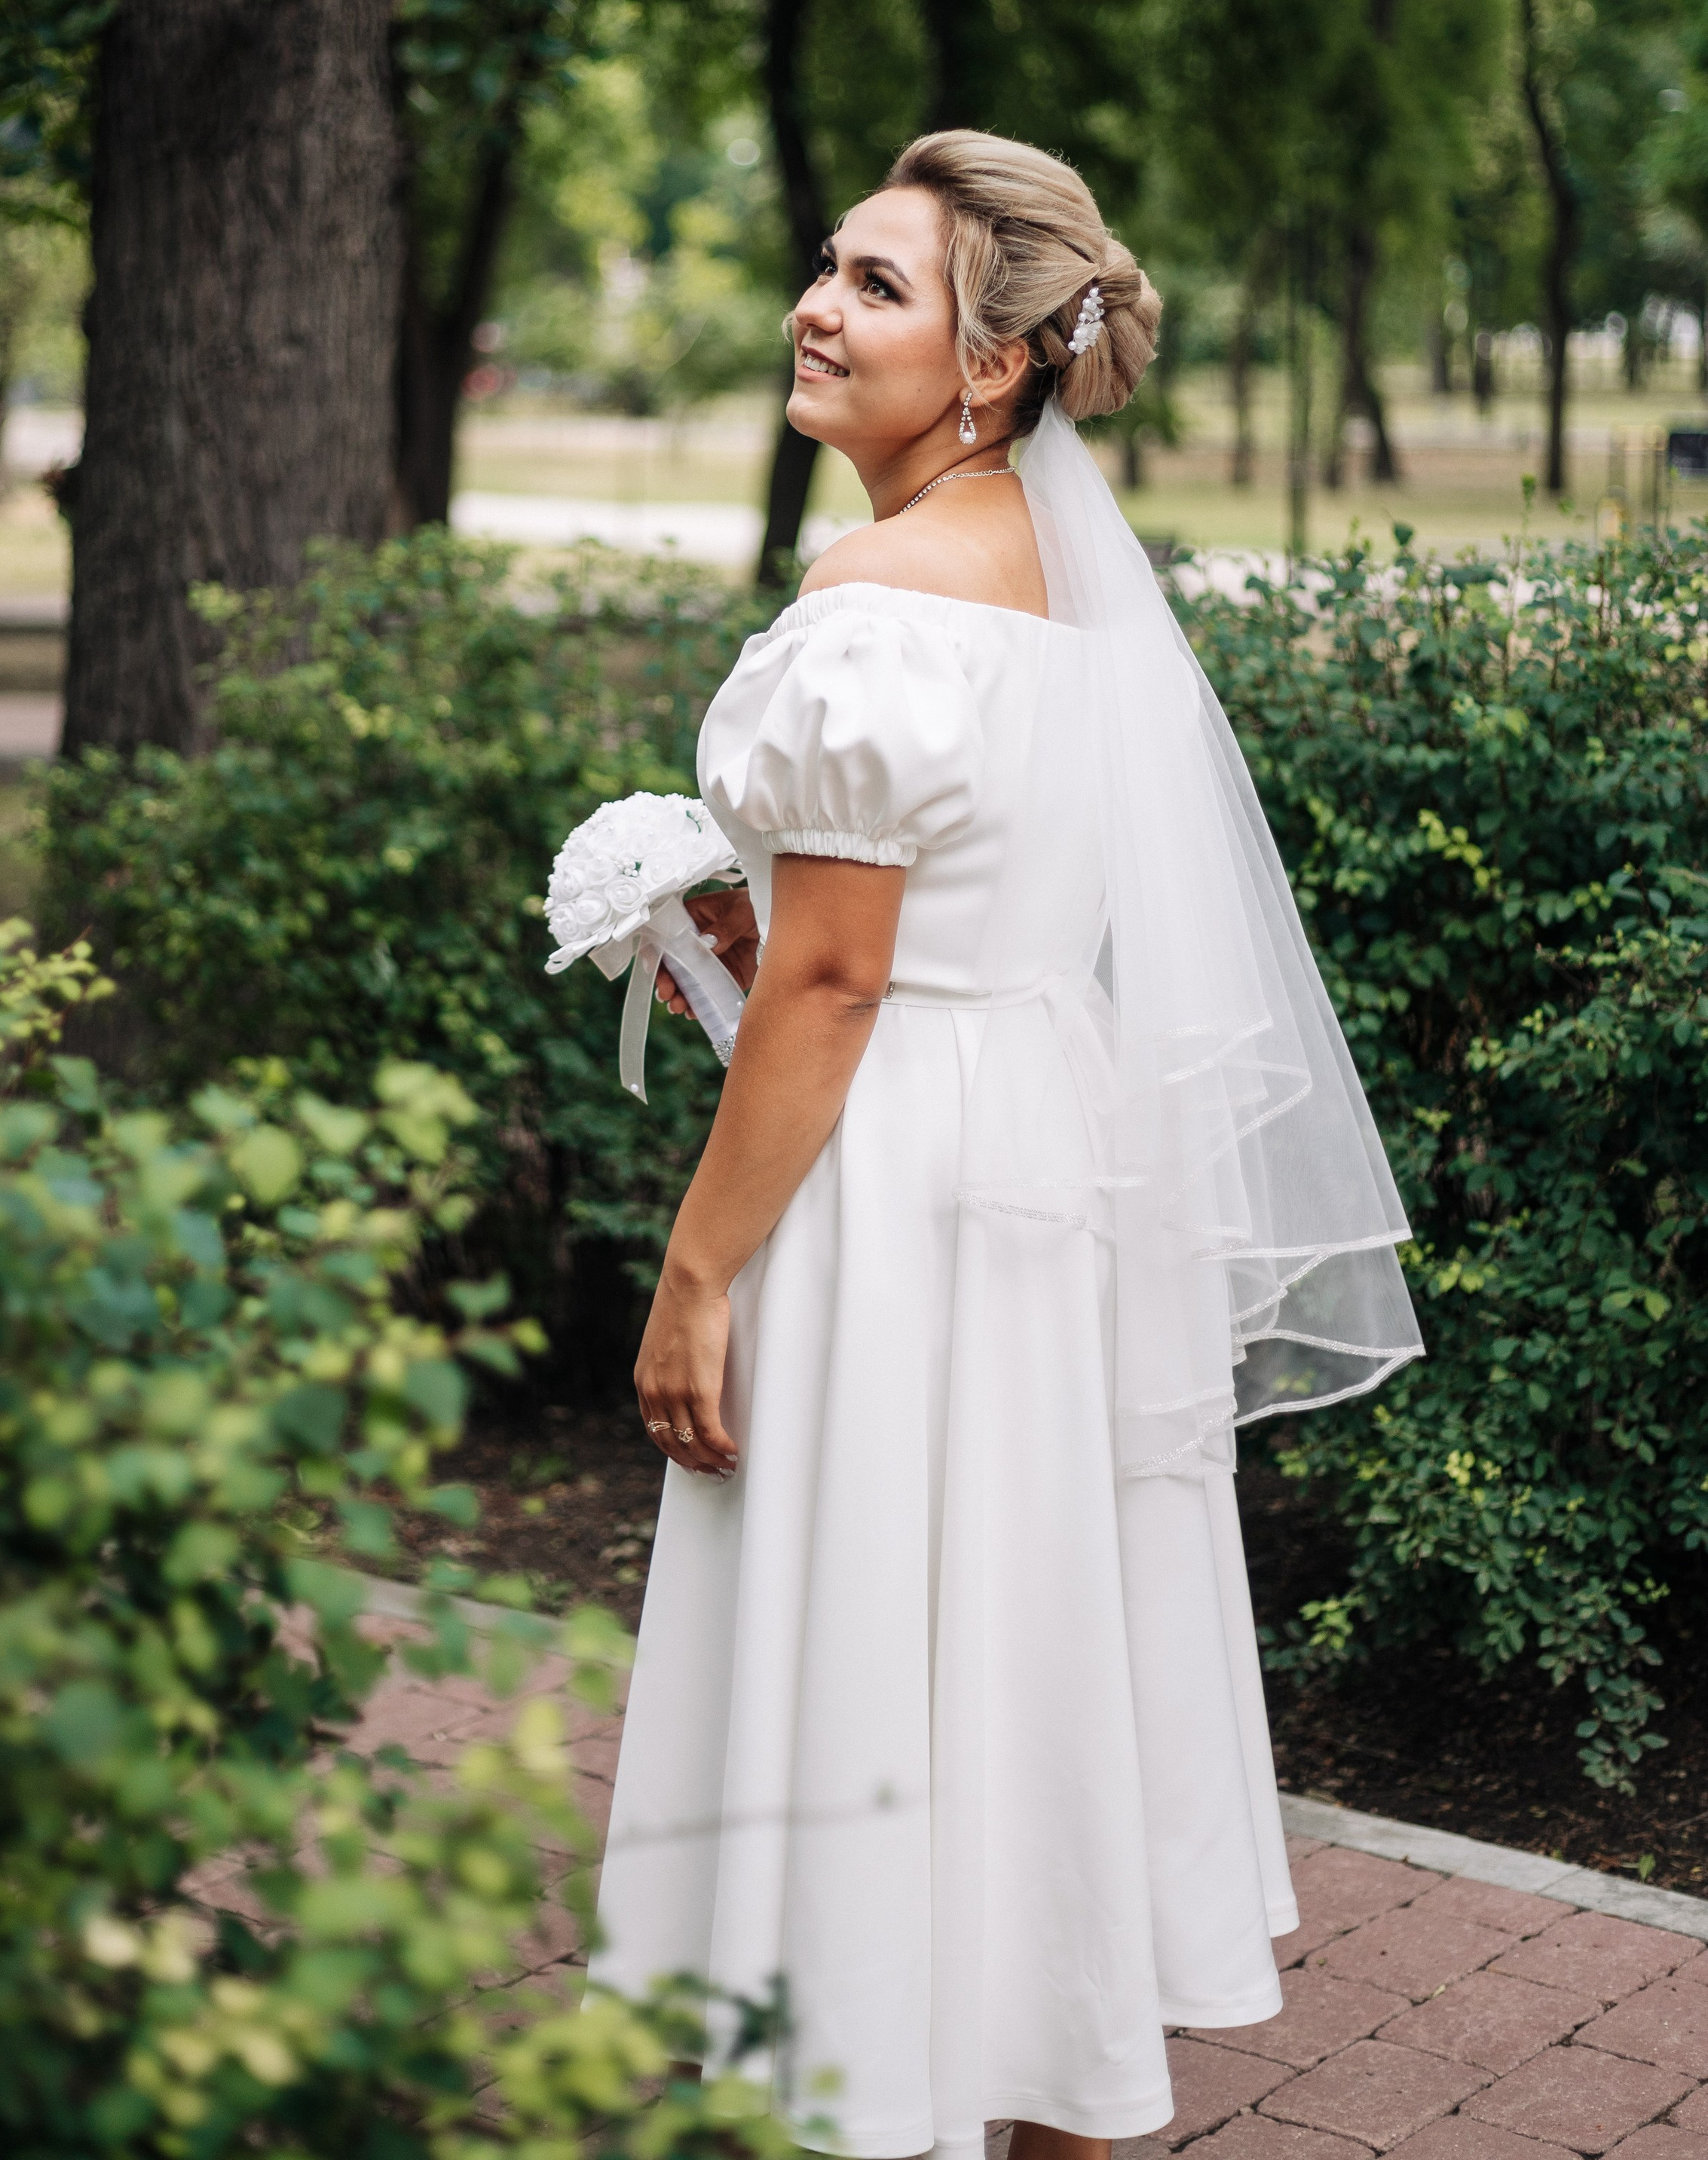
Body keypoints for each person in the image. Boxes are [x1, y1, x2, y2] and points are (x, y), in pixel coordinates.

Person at [586, 131, 1421, 2160]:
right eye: (827, 265)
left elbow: (842, 993)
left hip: (895, 1175)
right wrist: (740, 914)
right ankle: (1032, 2059)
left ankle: (868, 2065)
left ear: (991, 366)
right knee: (1021, 1624)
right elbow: (936, 915)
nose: (817, 303)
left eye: (875, 285)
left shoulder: (876, 595)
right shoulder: (1055, 590)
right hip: (1045, 1151)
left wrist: (697, 1273)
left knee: (882, 1609)